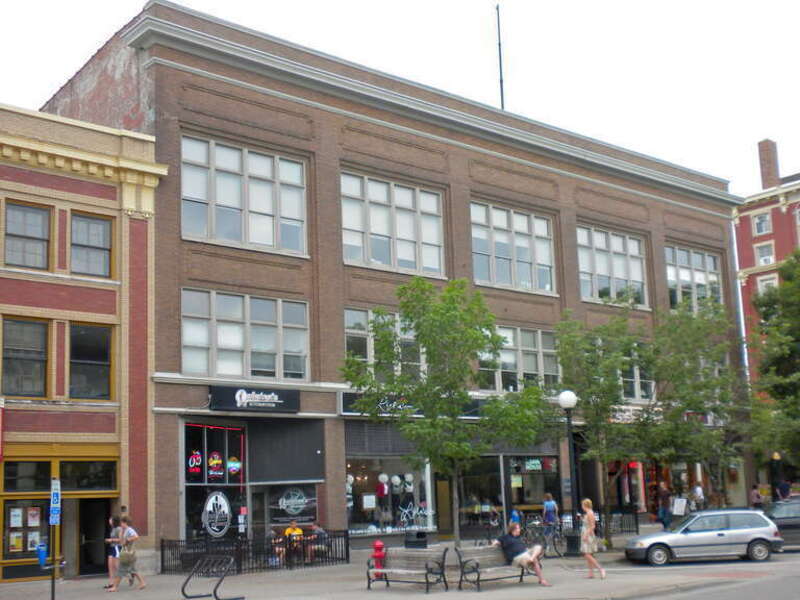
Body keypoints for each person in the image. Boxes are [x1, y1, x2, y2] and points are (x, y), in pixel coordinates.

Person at [492, 522, 551, 587]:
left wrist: (529, 550)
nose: (520, 529)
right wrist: (496, 543)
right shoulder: (504, 537)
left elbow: (522, 547)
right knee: (535, 560)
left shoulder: (518, 537)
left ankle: (531, 558)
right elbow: (495, 542)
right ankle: (542, 580)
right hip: (516, 558)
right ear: (513, 530)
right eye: (518, 528)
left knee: (538, 547)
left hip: (525, 553)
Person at [107, 516, 146, 592]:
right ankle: (142, 583)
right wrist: (121, 533)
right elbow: (121, 541)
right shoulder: (123, 530)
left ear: (125, 523)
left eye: (121, 523)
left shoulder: (129, 530)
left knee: (120, 570)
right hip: (125, 551)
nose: (120, 524)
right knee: (132, 569)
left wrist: (128, 539)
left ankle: (115, 587)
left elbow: (136, 536)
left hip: (128, 553)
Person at [580, 498, 606, 580]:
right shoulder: (588, 513)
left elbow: (592, 526)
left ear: (585, 505)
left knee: (586, 554)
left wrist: (586, 535)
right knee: (589, 553)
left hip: (588, 534)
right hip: (586, 533)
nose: (582, 507)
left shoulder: (590, 513)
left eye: (582, 505)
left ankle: (600, 569)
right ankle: (591, 573)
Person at [103, 516, 121, 590]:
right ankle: (111, 583)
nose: (109, 521)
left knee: (116, 566)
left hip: (116, 547)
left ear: (114, 521)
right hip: (111, 547)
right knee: (110, 566)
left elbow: (121, 539)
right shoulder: (113, 529)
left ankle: (129, 574)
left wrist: (111, 540)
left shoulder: (118, 529)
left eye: (110, 520)